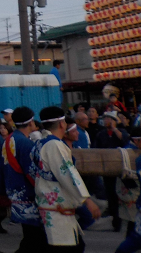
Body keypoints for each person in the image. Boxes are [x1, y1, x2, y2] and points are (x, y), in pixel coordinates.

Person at [30, 106, 101, 252]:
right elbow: (68, 174)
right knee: (69, 248)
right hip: (57, 208)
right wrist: (86, 200)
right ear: (62, 124)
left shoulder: (39, 143)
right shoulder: (55, 145)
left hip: (48, 204)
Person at [0, 106, 46, 251]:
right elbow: (32, 171)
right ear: (30, 123)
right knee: (34, 239)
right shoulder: (25, 143)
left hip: (15, 191)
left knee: (31, 238)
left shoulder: (9, 139)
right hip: (28, 194)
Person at [96, 110, 131, 231]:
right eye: (105, 119)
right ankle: (116, 221)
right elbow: (97, 149)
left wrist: (115, 129)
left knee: (121, 194)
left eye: (109, 119)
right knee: (111, 195)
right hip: (107, 169)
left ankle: (124, 218)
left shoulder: (121, 132)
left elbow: (125, 141)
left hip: (120, 169)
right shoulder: (101, 134)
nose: (106, 121)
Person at [115, 127, 141, 253]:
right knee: (135, 237)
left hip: (139, 199)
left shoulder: (140, 158)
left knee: (135, 236)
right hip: (132, 193)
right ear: (137, 140)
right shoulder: (133, 154)